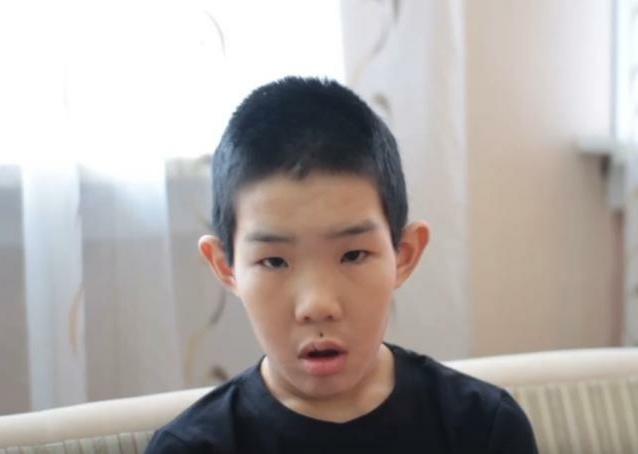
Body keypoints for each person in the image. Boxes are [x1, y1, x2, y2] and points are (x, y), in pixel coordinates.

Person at [145, 76, 537, 453]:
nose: (317, 305)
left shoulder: (483, 427)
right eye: (274, 261)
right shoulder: (191, 448)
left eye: (353, 255)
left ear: (403, 255)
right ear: (226, 267)